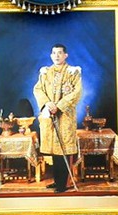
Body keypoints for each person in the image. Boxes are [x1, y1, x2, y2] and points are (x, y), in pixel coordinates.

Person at [33, 43, 83, 193]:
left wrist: (59, 106)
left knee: (64, 149)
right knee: (55, 151)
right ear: (51, 55)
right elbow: (38, 89)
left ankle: (62, 184)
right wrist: (47, 104)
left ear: (65, 55)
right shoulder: (45, 73)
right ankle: (57, 181)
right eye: (54, 53)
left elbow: (77, 92)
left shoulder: (73, 72)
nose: (57, 56)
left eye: (60, 53)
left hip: (65, 116)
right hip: (50, 115)